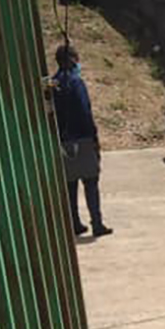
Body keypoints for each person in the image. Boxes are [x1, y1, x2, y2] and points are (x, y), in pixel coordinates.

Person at [52, 44, 112, 239]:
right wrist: (94, 138)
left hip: (62, 140)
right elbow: (85, 112)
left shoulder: (53, 84)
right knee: (91, 182)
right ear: (72, 59)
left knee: (70, 184)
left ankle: (75, 223)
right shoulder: (76, 83)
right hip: (82, 139)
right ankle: (97, 223)